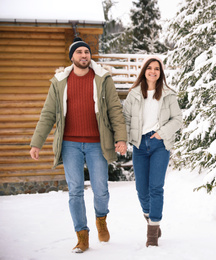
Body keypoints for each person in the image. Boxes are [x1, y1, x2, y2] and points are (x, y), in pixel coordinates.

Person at [29, 37, 127, 253]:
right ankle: (82, 235)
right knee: (75, 191)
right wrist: (37, 143)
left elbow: (115, 110)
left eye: (86, 52)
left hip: (96, 144)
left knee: (101, 189)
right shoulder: (60, 82)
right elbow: (47, 114)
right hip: (70, 143)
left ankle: (101, 219)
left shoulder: (102, 78)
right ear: (72, 57)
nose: (84, 55)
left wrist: (120, 138)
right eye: (79, 52)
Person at [123, 56, 182, 247]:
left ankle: (152, 234)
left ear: (160, 72)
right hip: (139, 145)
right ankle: (152, 220)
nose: (153, 71)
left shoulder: (168, 94)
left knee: (156, 187)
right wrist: (123, 140)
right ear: (144, 70)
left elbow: (177, 119)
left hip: (159, 144)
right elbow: (125, 120)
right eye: (149, 68)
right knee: (141, 189)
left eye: (157, 68)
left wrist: (161, 133)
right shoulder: (133, 94)